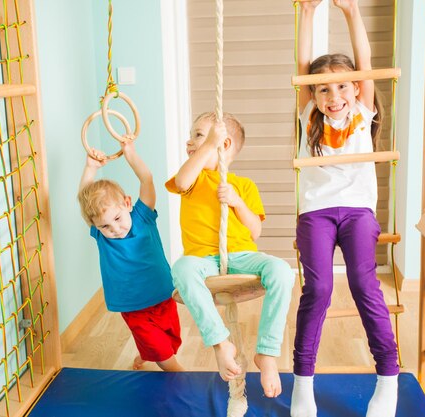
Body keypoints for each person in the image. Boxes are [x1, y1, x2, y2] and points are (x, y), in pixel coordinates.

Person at [291, 1, 399, 416]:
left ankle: (386, 380)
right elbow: (303, 64)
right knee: (318, 289)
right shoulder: (308, 115)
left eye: (341, 87)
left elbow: (365, 61)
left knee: (363, 283)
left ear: (356, 88)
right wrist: (307, 13)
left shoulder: (362, 110)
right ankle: (304, 384)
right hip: (316, 212)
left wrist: (352, 12)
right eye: (322, 89)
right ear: (312, 94)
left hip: (357, 210)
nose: (333, 96)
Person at [166, 112, 295, 398]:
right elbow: (182, 180)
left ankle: (268, 353)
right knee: (182, 269)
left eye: (198, 135)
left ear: (224, 145)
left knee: (282, 270)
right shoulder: (193, 178)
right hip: (202, 258)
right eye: (193, 135)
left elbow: (255, 231)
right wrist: (207, 145)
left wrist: (237, 202)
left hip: (241, 255)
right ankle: (221, 343)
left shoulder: (244, 185)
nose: (190, 140)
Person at [78, 140, 184, 372]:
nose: (114, 229)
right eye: (104, 226)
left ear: (127, 203)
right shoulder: (102, 236)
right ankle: (180, 375)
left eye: (116, 219)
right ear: (96, 226)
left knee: (171, 340)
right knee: (163, 353)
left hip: (163, 296)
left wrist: (130, 153)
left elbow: (146, 179)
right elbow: (84, 201)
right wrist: (91, 168)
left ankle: (145, 355)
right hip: (133, 307)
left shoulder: (143, 217)